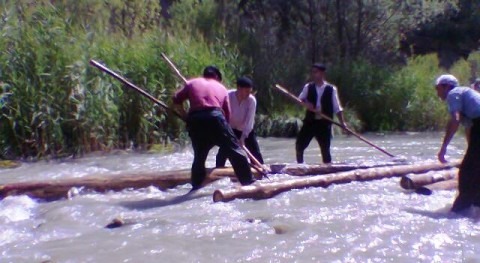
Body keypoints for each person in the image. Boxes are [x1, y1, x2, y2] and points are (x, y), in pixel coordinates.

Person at [172, 66, 256, 191]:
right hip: (215, 117)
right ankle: (248, 184)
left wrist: (186, 116)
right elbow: (227, 114)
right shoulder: (221, 88)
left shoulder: (192, 83)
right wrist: (227, 135)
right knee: (236, 151)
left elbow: (176, 99)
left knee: (199, 156)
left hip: (195, 120)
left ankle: (196, 187)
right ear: (217, 78)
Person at [434, 74, 480, 213]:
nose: (437, 92)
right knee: (475, 169)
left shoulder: (454, 93)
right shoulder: (469, 95)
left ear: (446, 86)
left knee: (467, 173)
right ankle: (476, 208)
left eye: (438, 88)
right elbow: (469, 130)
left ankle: (458, 213)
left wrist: (443, 148)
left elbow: (455, 120)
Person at [295, 63, 347, 164]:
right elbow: (299, 100)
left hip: (324, 123)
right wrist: (306, 104)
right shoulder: (308, 87)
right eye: (312, 72)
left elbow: (337, 108)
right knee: (299, 146)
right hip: (310, 122)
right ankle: (300, 167)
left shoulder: (331, 89)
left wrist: (342, 123)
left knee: (325, 150)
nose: (313, 74)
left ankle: (327, 169)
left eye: (316, 72)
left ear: (322, 73)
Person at [216, 77, 264, 167]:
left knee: (255, 153)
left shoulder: (251, 100)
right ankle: (217, 172)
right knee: (223, 152)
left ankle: (260, 170)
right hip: (229, 129)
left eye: (249, 92)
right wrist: (226, 131)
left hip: (245, 130)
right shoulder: (227, 95)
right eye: (246, 91)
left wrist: (243, 138)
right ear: (238, 88)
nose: (248, 94)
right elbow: (221, 114)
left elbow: (249, 122)